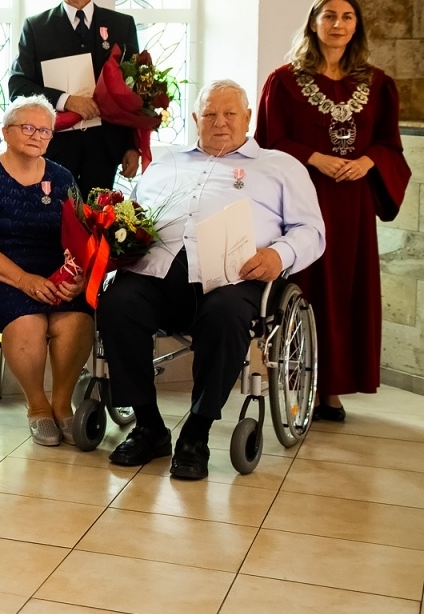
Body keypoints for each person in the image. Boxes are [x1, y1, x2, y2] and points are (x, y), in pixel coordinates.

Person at [100, 80, 325, 480]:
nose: (219, 123)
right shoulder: (167, 161)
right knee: (118, 304)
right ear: (194, 119)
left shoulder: (280, 166)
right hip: (159, 271)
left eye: (230, 114)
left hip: (235, 277)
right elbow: (134, 214)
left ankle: (196, 433)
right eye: (209, 114)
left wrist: (278, 254)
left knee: (225, 316)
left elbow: (312, 231)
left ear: (248, 118)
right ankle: (150, 426)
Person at [255, 0, 410, 422]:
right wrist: (315, 157)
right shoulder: (283, 81)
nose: (338, 24)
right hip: (305, 199)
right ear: (314, 23)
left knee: (348, 287)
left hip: (354, 205)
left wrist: (368, 161)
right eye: (329, 16)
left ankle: (333, 389)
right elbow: (271, 141)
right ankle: (297, 383)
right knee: (309, 287)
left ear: (356, 25)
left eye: (346, 17)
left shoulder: (378, 85)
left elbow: (390, 146)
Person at [0, 96, 92, 446]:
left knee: (77, 318)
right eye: (26, 127)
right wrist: (23, 280)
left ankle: (62, 405)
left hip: (49, 273)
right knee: (29, 319)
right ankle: (37, 405)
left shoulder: (61, 177)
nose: (35, 135)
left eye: (44, 130)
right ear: (5, 131)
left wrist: (77, 279)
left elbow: (80, 236)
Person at [8, 0, 141, 193]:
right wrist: (66, 101)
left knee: (99, 223)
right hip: (54, 146)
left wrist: (133, 146)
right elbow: (19, 86)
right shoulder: (37, 28)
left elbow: (134, 91)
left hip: (106, 147)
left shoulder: (121, 26)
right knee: (55, 219)